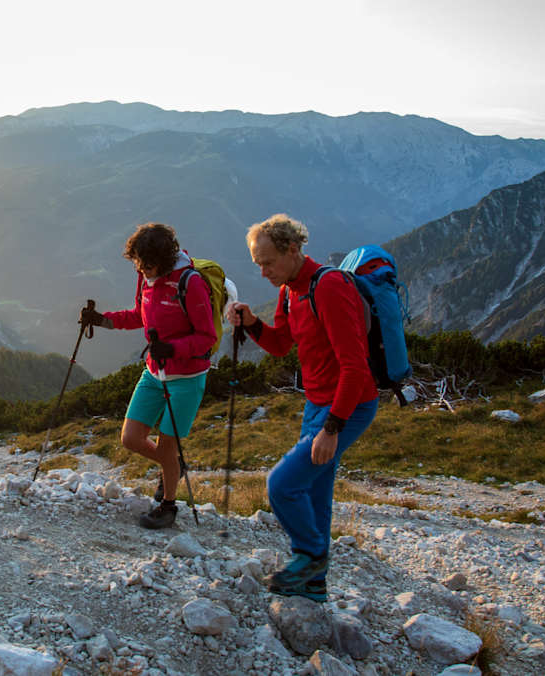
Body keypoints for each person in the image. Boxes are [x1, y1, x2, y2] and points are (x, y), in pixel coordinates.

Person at [227, 213, 378, 601]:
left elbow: (355, 366)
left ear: (293, 250)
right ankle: (314, 587)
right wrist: (253, 323)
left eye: (268, 262)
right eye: (258, 264)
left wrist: (333, 427)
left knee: (282, 484)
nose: (263, 272)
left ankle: (311, 557)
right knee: (314, 494)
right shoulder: (289, 291)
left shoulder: (328, 287)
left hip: (348, 405)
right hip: (317, 403)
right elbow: (281, 345)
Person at [79, 222, 216, 529]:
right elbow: (138, 316)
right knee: (130, 438)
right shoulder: (145, 276)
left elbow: (207, 337)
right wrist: (101, 320)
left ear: (165, 260)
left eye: (148, 265)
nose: (143, 270)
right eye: (139, 264)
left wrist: (173, 348)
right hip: (155, 373)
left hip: (186, 379)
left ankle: (168, 506)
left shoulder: (189, 283)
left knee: (166, 446)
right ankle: (173, 467)